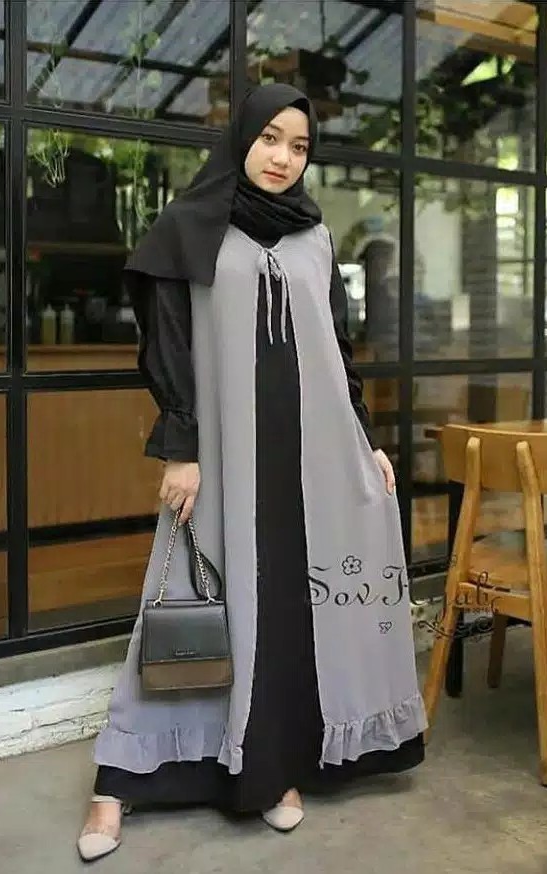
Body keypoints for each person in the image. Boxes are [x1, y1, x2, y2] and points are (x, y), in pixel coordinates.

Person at [77, 83, 428, 863]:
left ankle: (273, 767)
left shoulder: (313, 235)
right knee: (185, 598)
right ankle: (119, 779)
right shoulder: (191, 226)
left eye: (298, 146)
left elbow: (335, 345)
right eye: (270, 137)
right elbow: (168, 345)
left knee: (290, 613)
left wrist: (363, 436)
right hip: (226, 450)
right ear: (241, 137)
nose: (282, 157)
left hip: (311, 452)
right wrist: (182, 446)